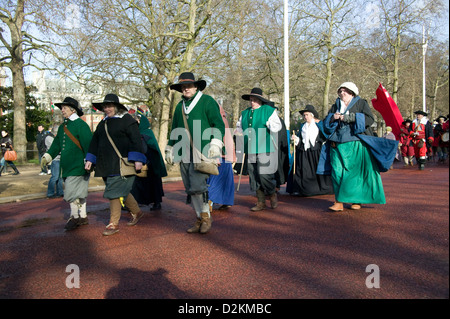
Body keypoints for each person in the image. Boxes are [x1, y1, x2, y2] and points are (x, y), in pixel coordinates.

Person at [165, 72, 225, 234]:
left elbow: (218, 125)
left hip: (203, 150)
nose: (186, 89)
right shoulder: (179, 106)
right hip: (184, 152)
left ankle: (206, 218)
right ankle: (199, 218)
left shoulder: (207, 101)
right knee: (190, 188)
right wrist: (170, 147)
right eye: (183, 87)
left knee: (198, 186)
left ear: (196, 86)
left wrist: (215, 143)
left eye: (189, 86)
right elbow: (175, 129)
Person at [85, 94, 147, 236]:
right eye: (105, 106)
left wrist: (138, 159)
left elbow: (136, 140)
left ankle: (113, 223)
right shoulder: (103, 123)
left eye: (110, 106)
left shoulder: (127, 120)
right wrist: (90, 159)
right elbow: (95, 142)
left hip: (122, 164)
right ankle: (137, 212)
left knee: (113, 192)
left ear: (117, 107)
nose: (107, 109)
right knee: (121, 191)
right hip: (105, 164)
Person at [321, 82, 385, 211]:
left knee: (354, 174)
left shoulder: (361, 103)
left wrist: (349, 117)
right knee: (337, 172)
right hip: (336, 143)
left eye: (345, 91)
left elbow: (369, 119)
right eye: (340, 91)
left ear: (352, 93)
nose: (342, 93)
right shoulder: (335, 105)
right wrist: (333, 117)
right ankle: (338, 201)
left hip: (355, 143)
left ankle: (356, 200)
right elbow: (326, 122)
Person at [41, 97, 92, 230]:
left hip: (80, 165)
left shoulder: (81, 125)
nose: (62, 110)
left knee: (71, 192)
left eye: (64, 108)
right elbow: (57, 144)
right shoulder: (63, 127)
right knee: (79, 193)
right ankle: (84, 216)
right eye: (61, 108)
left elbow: (88, 145)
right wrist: (48, 156)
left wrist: (90, 160)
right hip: (68, 166)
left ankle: (75, 217)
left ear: (72, 109)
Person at [236, 87, 282, 211]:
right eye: (251, 100)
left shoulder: (268, 110)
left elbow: (277, 126)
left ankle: (272, 193)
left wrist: (269, 124)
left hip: (264, 147)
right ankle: (260, 201)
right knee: (254, 175)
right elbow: (239, 126)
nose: (252, 102)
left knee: (264, 174)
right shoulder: (244, 113)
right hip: (250, 148)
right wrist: (238, 132)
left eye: (255, 100)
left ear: (260, 100)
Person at [286, 105, 333, 196]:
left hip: (316, 152)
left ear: (312, 115)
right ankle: (303, 189)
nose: (305, 117)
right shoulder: (303, 126)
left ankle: (319, 189)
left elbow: (325, 136)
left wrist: (322, 143)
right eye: (304, 115)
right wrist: (296, 139)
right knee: (303, 170)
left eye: (307, 115)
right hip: (304, 152)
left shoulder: (319, 124)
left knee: (318, 170)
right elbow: (301, 139)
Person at [129, 108, 167, 211]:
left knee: (143, 184)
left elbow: (146, 148)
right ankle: (154, 203)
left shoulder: (144, 134)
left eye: (138, 122)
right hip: (149, 163)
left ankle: (149, 203)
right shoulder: (147, 133)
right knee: (148, 184)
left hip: (150, 164)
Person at [207, 104, 235, 211]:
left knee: (215, 178)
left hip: (219, 154)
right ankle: (226, 201)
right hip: (224, 154)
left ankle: (210, 200)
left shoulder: (217, 120)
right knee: (226, 179)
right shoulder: (223, 119)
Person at [45, 124, 64, 198]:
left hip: (60, 159)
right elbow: (56, 148)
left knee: (60, 177)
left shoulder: (57, 138)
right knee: (55, 177)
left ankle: (60, 192)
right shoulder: (49, 138)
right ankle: (50, 193)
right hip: (55, 160)